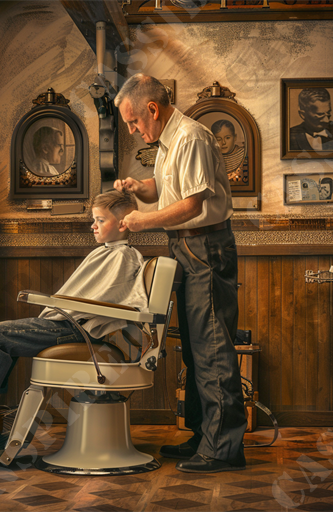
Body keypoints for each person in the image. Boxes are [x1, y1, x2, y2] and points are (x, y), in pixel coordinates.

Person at [0, 190, 148, 445]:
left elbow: (116, 300)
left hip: (75, 328)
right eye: (94, 219)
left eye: (100, 220)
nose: (92, 225)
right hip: (71, 323)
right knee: (4, 338)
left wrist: (56, 304)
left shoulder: (123, 256)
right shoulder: (110, 252)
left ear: (123, 223)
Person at [113, 73, 247, 473]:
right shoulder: (170, 141)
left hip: (204, 245)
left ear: (152, 109)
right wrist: (140, 187)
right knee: (193, 346)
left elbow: (190, 205)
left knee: (211, 347)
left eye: (134, 122)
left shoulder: (190, 137)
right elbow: (167, 188)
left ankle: (223, 448)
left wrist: (143, 221)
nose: (135, 131)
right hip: (187, 246)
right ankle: (205, 435)